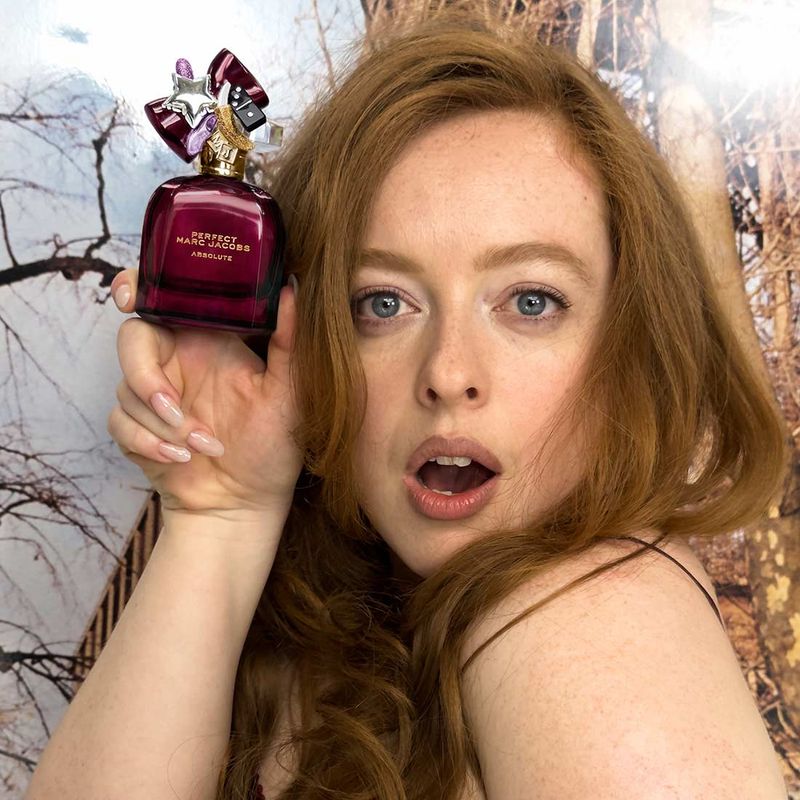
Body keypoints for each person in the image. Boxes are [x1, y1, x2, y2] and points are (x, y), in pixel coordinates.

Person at [26, 12, 790, 800]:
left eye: (531, 300)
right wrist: (219, 514)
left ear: (630, 347)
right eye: (382, 303)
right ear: (305, 342)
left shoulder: (592, 611)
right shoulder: (333, 633)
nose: (449, 374)